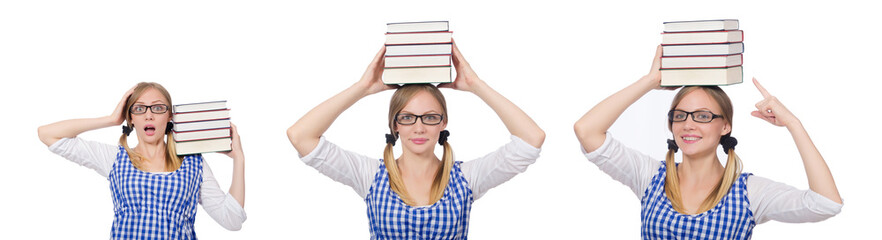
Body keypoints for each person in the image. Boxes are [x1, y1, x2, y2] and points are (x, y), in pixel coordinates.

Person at [573, 46, 843, 239]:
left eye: (703, 116)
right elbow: (587, 131)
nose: (688, 124)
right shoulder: (649, 176)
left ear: (725, 126)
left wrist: (794, 125)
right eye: (680, 116)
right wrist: (650, 81)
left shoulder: (749, 192)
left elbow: (826, 203)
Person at [287, 42, 545, 239]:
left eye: (430, 117)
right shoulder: (370, 175)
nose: (419, 128)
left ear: (443, 123)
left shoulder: (466, 178)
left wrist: (476, 84)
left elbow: (531, 140)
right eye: (408, 117)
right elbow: (301, 136)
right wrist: (363, 86)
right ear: (395, 124)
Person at [37, 82, 246, 239]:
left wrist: (239, 160)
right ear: (131, 118)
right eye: (139, 108)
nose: (148, 115)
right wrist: (111, 119)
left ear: (170, 117)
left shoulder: (193, 164)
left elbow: (232, 219)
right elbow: (48, 134)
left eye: (157, 108)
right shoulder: (115, 158)